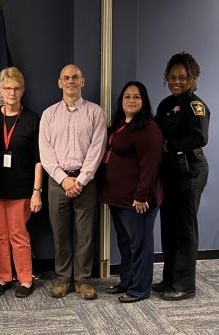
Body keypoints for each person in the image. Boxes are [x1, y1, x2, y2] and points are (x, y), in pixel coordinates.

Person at [39, 64, 107, 300]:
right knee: (60, 233)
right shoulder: (48, 115)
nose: (70, 81)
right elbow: (45, 153)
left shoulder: (95, 112)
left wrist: (81, 179)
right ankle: (63, 279)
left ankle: (83, 280)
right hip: (57, 182)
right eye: (66, 78)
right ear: (59, 83)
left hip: (85, 181)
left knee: (86, 234)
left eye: (75, 77)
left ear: (83, 81)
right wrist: (64, 179)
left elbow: (97, 149)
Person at [153, 52, 209, 301]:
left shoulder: (196, 105)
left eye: (182, 78)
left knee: (185, 228)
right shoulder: (166, 104)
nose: (177, 82)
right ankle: (169, 279)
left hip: (190, 172)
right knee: (168, 225)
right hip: (169, 172)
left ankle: (185, 285)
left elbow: (200, 138)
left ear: (192, 78)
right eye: (172, 77)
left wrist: (170, 144)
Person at [101, 81, 163, 303]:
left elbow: (150, 166)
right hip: (117, 197)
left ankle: (139, 289)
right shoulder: (120, 123)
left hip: (137, 201)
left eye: (136, 97)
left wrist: (141, 196)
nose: (131, 100)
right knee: (125, 243)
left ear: (144, 100)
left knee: (140, 245)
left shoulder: (149, 128)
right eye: (127, 96)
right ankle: (126, 281)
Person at [0, 67, 43, 298]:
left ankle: (25, 279)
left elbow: (40, 159)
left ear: (23, 91)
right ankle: (3, 277)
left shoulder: (31, 118)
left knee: (18, 234)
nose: (12, 92)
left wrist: (37, 191)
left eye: (16, 88)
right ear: (0, 90)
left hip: (21, 187)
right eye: (7, 88)